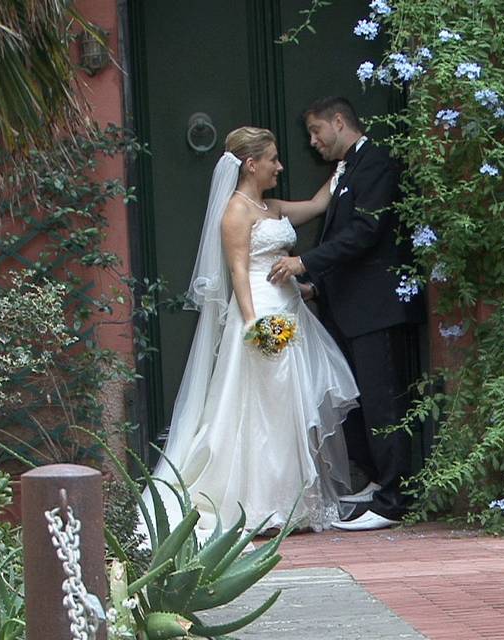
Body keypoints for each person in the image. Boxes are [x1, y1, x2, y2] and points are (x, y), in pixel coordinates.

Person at [147, 126, 359, 539]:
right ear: (251, 164)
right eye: (273, 159)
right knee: (261, 411)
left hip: (291, 309)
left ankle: (292, 502)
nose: (279, 166)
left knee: (290, 407)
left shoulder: (272, 206)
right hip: (261, 313)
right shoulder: (236, 212)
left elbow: (317, 205)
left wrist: (348, 165)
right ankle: (258, 504)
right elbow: (239, 270)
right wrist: (252, 323)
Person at [269, 97, 426, 531]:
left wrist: (306, 262)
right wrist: (315, 287)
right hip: (351, 309)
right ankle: (379, 483)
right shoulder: (344, 170)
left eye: (317, 131)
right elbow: (343, 234)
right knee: (362, 404)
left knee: (382, 402)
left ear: (340, 122)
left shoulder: (375, 161)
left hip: (378, 310)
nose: (314, 142)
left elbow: (365, 232)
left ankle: (395, 500)